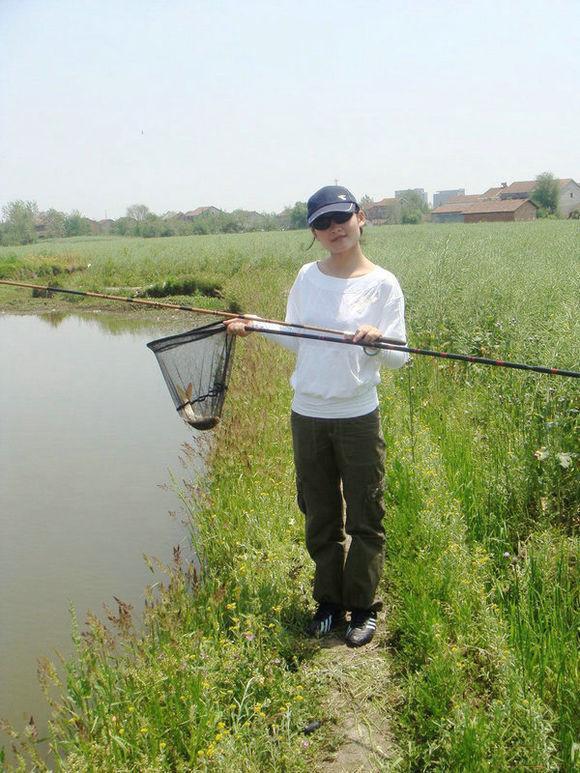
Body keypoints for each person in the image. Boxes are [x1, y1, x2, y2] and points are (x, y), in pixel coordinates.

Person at [225, 185, 408, 647]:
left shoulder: (383, 283)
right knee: (319, 512)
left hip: (358, 414)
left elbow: (399, 357)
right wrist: (256, 325)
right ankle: (328, 601)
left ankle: (362, 607)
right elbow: (296, 335)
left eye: (341, 218)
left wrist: (376, 340)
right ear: (314, 232)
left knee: (366, 513)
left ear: (360, 218)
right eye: (322, 224)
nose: (333, 229)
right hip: (307, 413)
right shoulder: (307, 276)